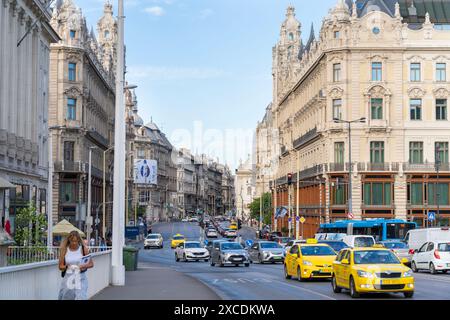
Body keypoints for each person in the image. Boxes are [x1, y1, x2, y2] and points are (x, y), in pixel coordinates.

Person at [58, 231, 94, 300]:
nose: (74, 243)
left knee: (81, 297)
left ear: (78, 240)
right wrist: (66, 266)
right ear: (69, 240)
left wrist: (82, 266)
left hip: (81, 277)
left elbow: (91, 264)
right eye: (72, 241)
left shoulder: (83, 249)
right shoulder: (64, 250)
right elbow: (60, 266)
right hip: (69, 277)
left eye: (76, 241)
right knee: (67, 297)